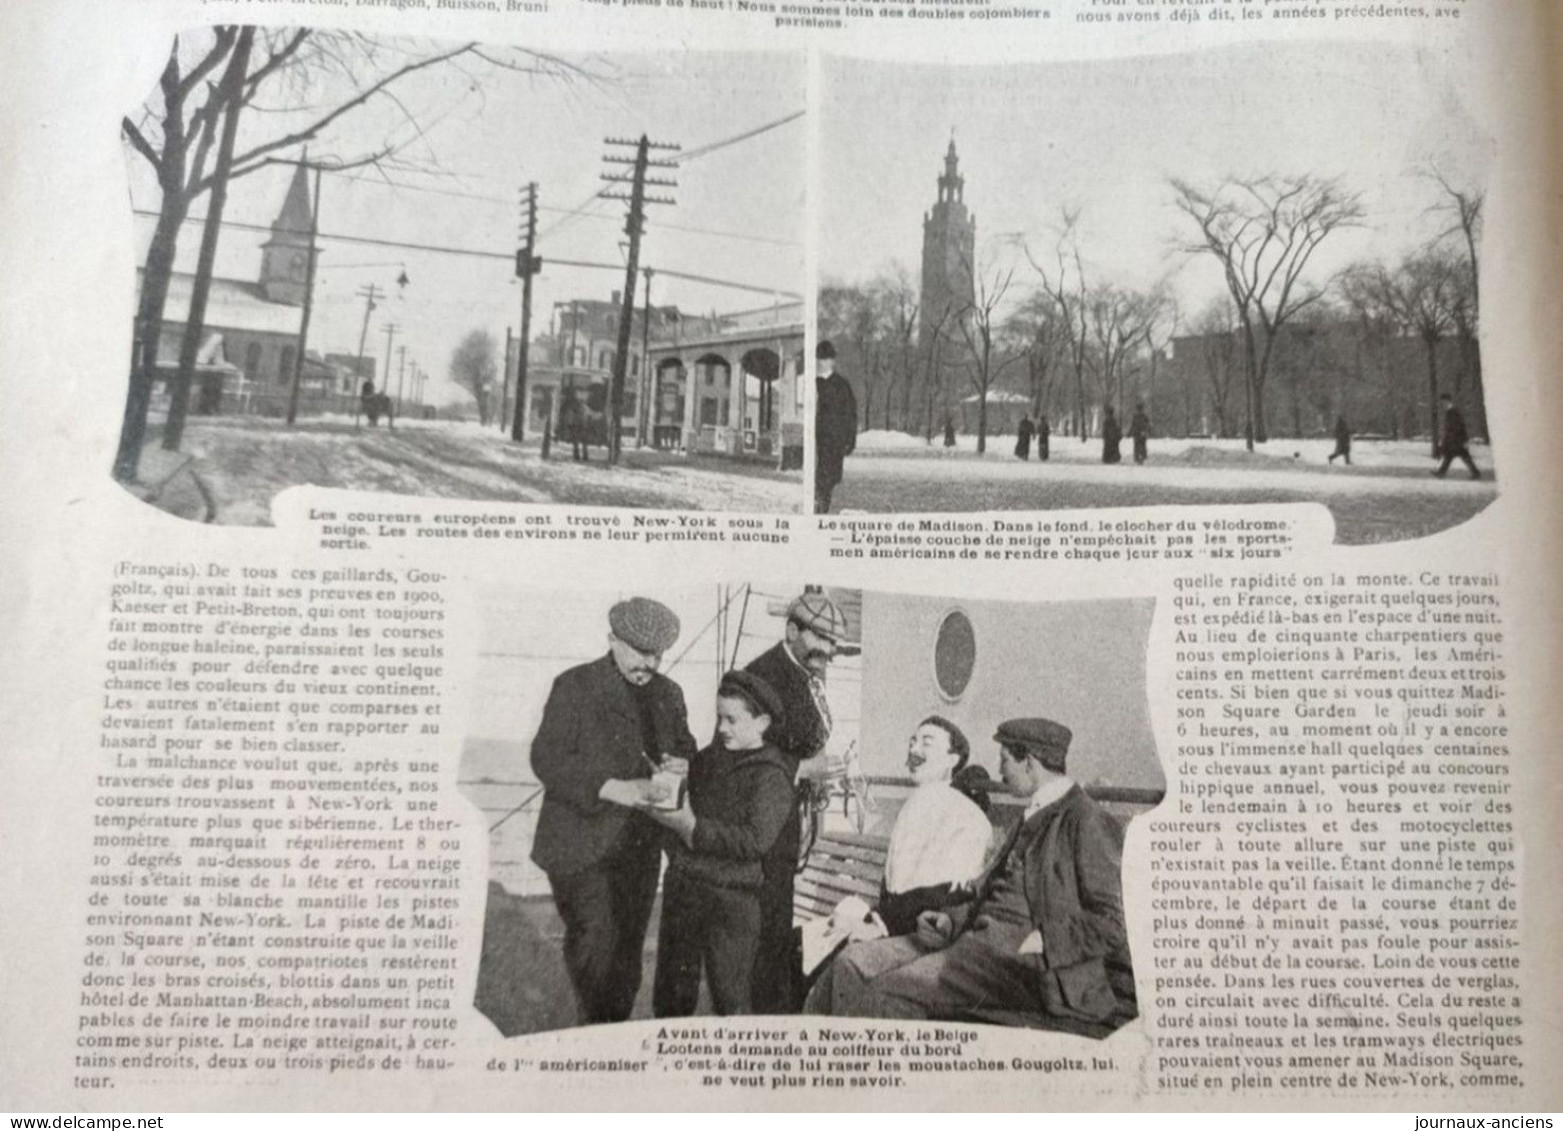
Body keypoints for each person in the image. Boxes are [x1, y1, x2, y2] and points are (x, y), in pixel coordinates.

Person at [804, 718, 1132, 1034]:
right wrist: (950, 919)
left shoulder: (1085, 819)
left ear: (1029, 762)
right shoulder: (1031, 813)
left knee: (892, 992)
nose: (999, 771)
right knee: (854, 963)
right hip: (971, 944)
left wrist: (1044, 940)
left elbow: (1111, 922)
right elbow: (992, 893)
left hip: (1030, 970)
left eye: (1005, 760)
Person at [528, 597, 697, 1025]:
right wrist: (612, 788)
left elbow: (685, 747)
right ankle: (595, 1028)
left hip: (639, 850)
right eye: (641, 652)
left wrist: (684, 764)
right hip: (580, 846)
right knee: (595, 944)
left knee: (626, 956)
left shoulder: (668, 693)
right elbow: (546, 757)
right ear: (612, 641)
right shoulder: (575, 685)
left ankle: (609, 1032)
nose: (651, 663)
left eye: (658, 654)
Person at [643, 671, 795, 1017]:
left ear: (762, 723)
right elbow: (684, 809)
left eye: (732, 719)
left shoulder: (772, 776)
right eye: (718, 718)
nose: (722, 728)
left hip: (732, 902)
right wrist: (670, 785)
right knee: (671, 997)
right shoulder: (708, 761)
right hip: (684, 890)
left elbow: (755, 841)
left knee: (731, 1001)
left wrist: (692, 829)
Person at [743, 592, 848, 1013]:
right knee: (767, 917)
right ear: (792, 630)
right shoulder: (760, 676)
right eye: (821, 638)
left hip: (789, 813)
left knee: (779, 910)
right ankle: (766, 1012)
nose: (829, 652)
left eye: (834, 644)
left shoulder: (804, 670)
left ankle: (771, 1002)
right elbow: (743, 751)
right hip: (763, 819)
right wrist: (804, 769)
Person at [875, 717, 993, 937]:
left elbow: (951, 895)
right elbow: (895, 883)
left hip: (926, 932)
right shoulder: (918, 801)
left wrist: (881, 924)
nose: (914, 750)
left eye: (926, 743)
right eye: (912, 742)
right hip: (895, 924)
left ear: (952, 758)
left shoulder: (967, 814)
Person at [814, 340, 858, 513]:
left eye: (827, 359)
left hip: (833, 442)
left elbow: (850, 414)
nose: (823, 362)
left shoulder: (841, 384)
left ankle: (822, 509)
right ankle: (819, 508)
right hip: (817, 440)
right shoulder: (813, 383)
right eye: (821, 358)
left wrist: (849, 440)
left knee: (827, 481)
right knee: (818, 480)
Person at [1433, 393, 1480, 479]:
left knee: (1455, 456)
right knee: (1454, 456)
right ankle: (1475, 473)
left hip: (1456, 439)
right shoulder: (1451, 411)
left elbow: (1456, 426)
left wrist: (1452, 438)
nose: (1442, 404)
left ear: (1447, 401)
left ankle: (1441, 473)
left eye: (1443, 402)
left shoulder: (1453, 412)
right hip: (1457, 439)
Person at [1129, 401, 1151, 465]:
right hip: (1143, 433)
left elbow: (1133, 425)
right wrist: (1148, 431)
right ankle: (1142, 456)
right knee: (1143, 445)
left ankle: (1137, 457)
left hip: (1136, 433)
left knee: (1136, 446)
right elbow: (1147, 424)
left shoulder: (1135, 416)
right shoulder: (1144, 416)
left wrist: (1130, 433)